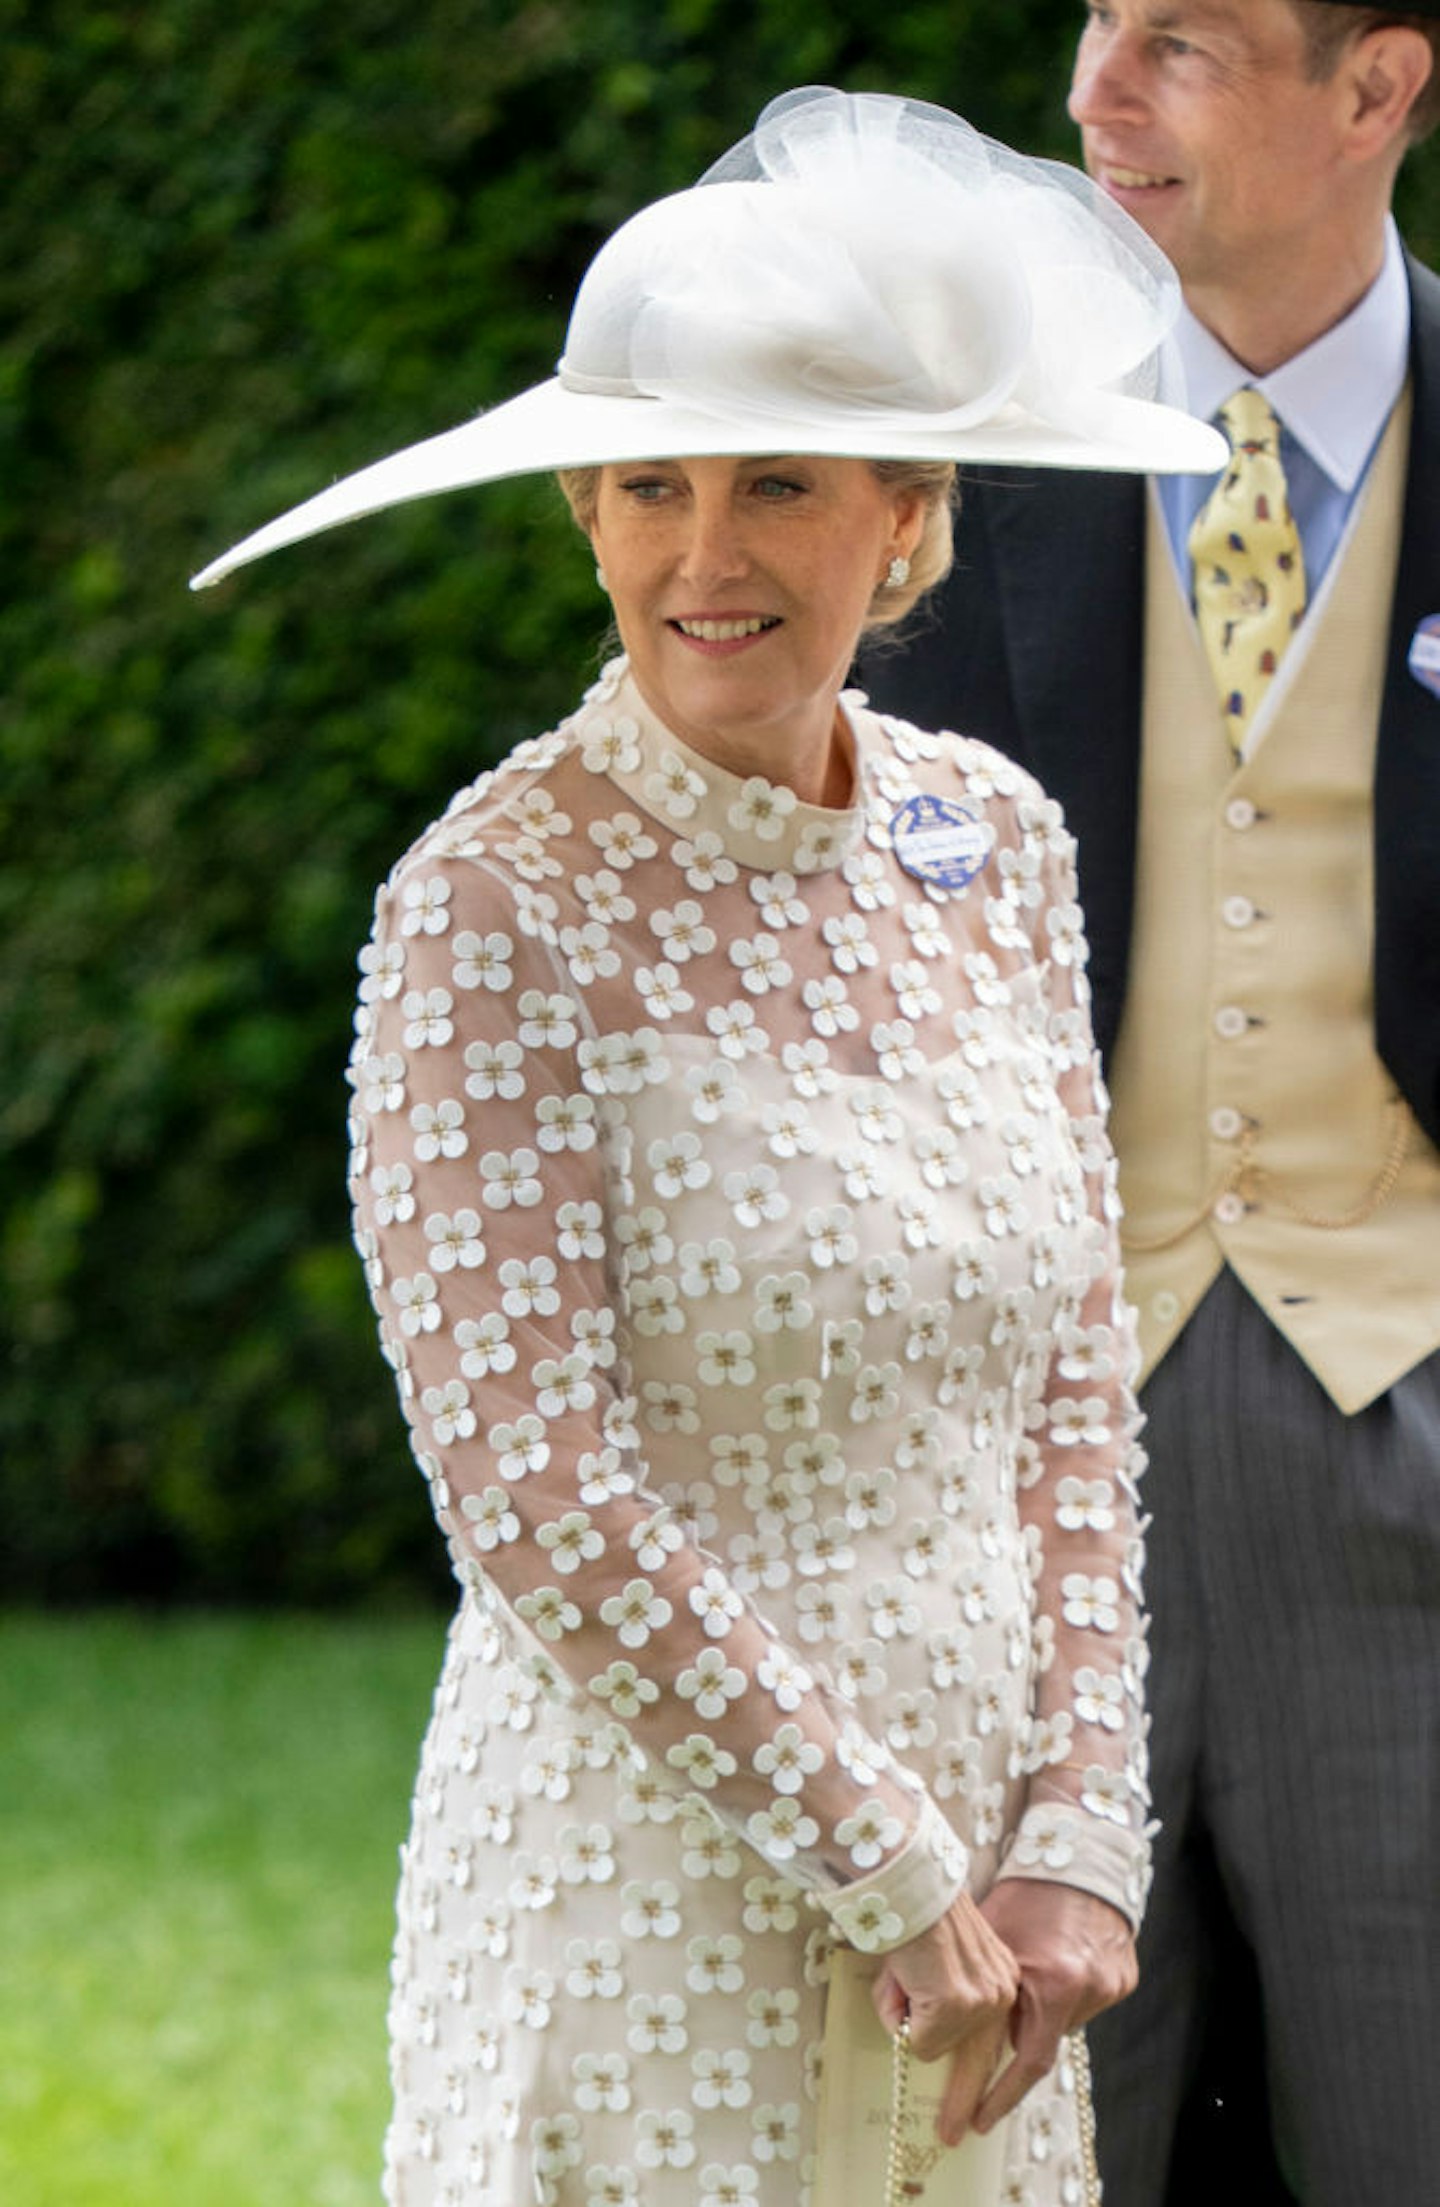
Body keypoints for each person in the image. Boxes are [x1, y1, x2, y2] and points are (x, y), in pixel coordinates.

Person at [193, 87, 1222, 2207]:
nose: (708, 554)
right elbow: (531, 1490)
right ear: (583, 512)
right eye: (649, 486)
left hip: (996, 1948)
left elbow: (1071, 1378)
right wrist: (889, 1862)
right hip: (648, 1879)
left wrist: (1080, 1846)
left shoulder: (996, 846)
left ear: (908, 512)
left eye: (779, 483)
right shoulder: (488, 910)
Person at [865, 9, 1440, 2205]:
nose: (1097, 94)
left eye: (1181, 42)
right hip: (1008, 1479)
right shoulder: (949, 466)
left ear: (1374, 90)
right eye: (1098, 26)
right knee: (1018, 2155)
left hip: (1411, 1422)